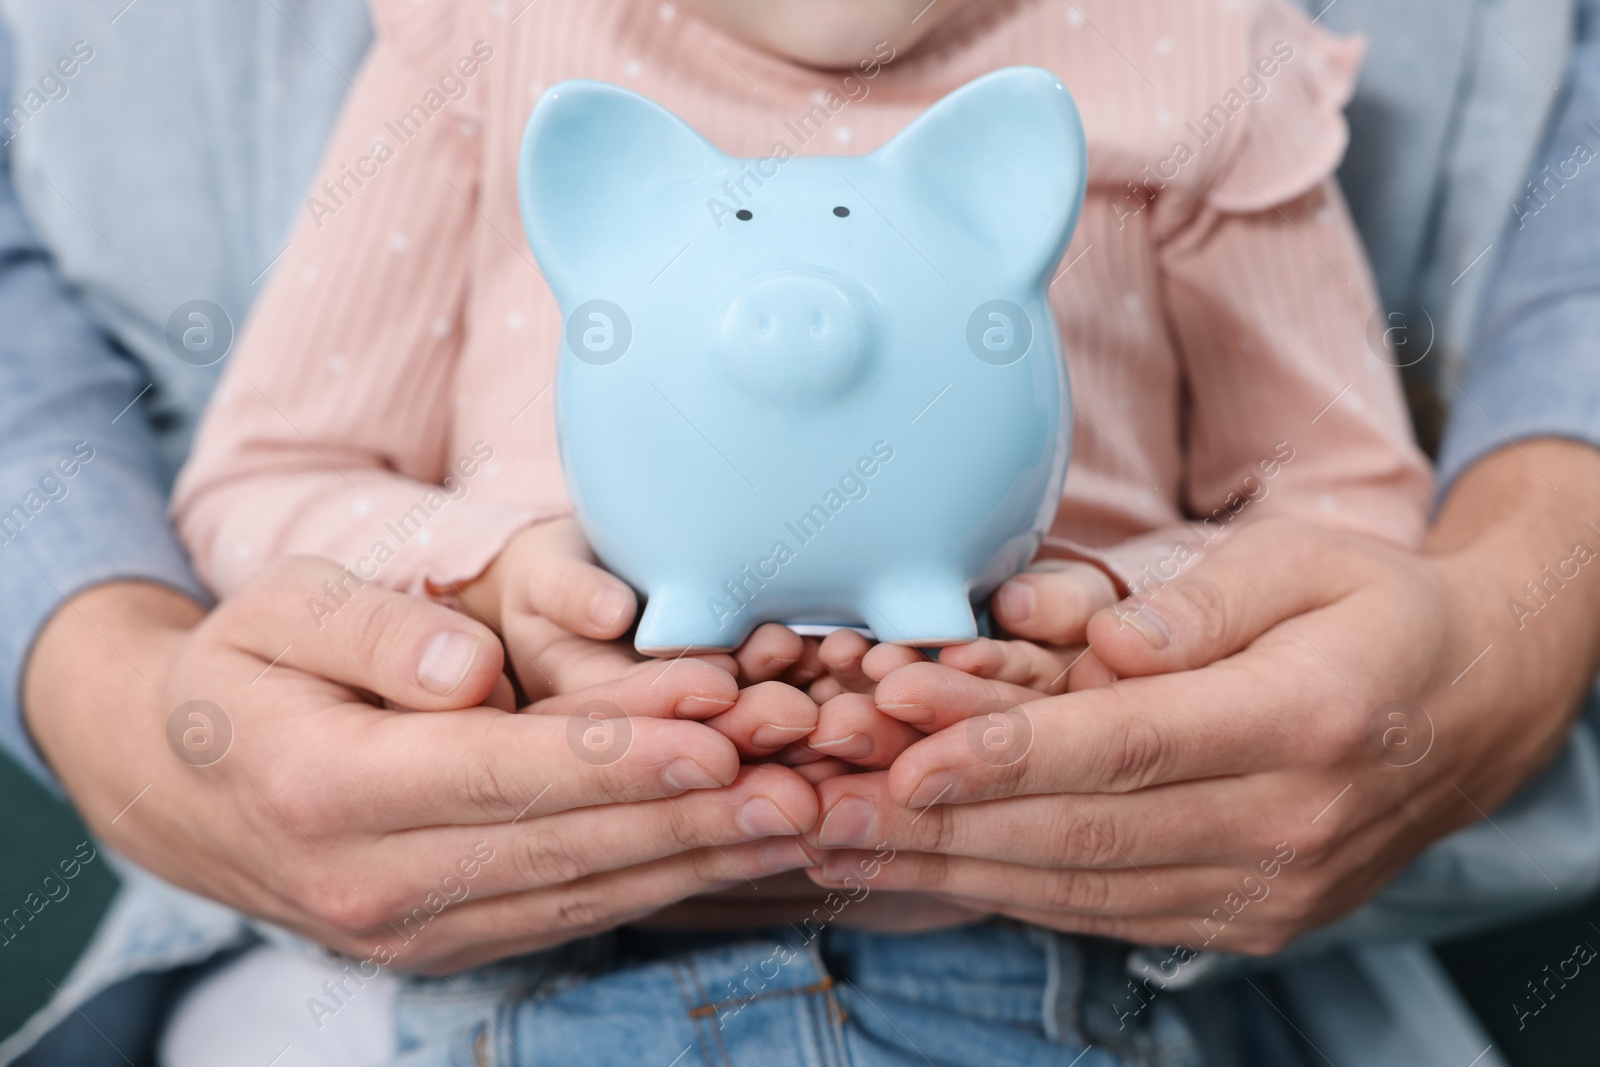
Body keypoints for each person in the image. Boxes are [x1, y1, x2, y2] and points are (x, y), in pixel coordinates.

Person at [0, 0, 1595, 1064]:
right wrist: (485, 587)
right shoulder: (494, 54)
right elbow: (273, 472)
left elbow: (1338, 508)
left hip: (1064, 964)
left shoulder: (1190, 62)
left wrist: (1102, 609)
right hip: (523, 969)